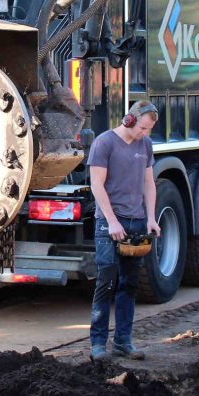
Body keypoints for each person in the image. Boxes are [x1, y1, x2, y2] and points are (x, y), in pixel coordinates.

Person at [87, 100, 162, 360]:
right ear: (129, 120)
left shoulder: (146, 145)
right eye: (142, 127)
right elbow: (97, 185)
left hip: (137, 222)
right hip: (110, 222)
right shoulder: (104, 143)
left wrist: (151, 217)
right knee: (106, 281)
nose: (145, 133)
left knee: (129, 284)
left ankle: (123, 342)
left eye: (148, 129)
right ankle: (97, 344)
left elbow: (148, 183)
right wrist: (112, 222)